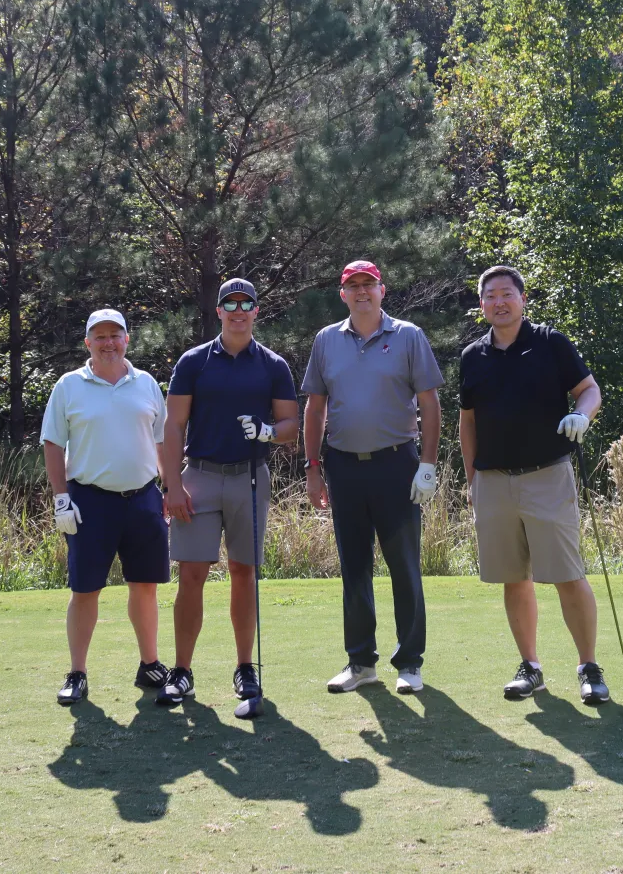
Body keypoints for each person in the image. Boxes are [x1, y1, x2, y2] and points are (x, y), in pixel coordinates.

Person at [458, 266, 609, 704]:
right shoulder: (472, 356)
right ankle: (531, 667)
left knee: (567, 574)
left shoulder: (550, 343)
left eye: (507, 294)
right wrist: (472, 480)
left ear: (522, 299)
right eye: (491, 296)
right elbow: (467, 423)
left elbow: (590, 390)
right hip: (493, 481)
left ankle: (588, 666)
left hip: (548, 475)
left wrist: (583, 415)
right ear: (482, 304)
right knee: (513, 578)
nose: (499, 302)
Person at [303, 259, 444, 695]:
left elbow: (430, 402)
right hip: (343, 466)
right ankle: (361, 662)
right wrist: (313, 468)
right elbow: (314, 408)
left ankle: (410, 662)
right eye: (353, 286)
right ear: (342, 294)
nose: (361, 292)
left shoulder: (408, 336)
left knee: (404, 565)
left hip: (397, 464)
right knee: (354, 567)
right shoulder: (327, 340)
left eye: (369, 284)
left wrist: (428, 464)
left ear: (382, 290)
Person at [157, 279, 299, 707]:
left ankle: (244, 669)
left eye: (246, 304)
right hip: (199, 476)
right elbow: (173, 425)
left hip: (250, 477)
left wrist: (267, 432)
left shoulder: (273, 365)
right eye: (230, 304)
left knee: (243, 572)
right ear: (219, 311)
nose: (238, 310)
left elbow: (291, 426)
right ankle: (182, 671)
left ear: (257, 311)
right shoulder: (194, 362)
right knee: (193, 574)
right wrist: (173, 484)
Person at [42, 308, 171, 706]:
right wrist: (60, 497)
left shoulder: (146, 383)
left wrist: (170, 488)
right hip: (90, 501)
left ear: (127, 340)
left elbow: (162, 440)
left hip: (144, 498)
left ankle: (149, 663)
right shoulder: (69, 386)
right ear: (88, 343)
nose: (109, 342)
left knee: (145, 586)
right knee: (85, 589)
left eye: (116, 335)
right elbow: (53, 443)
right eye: (100, 336)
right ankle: (77, 672)